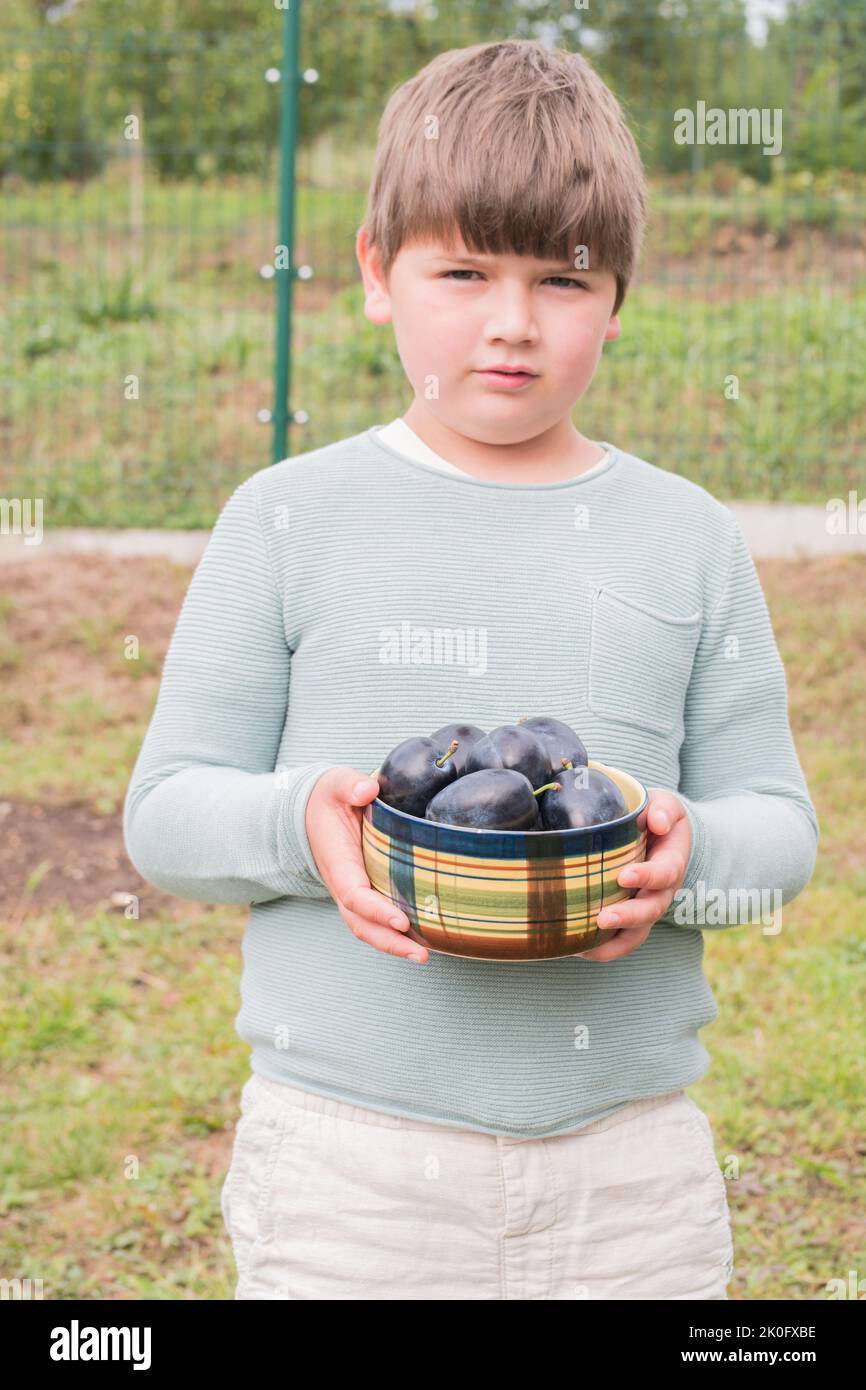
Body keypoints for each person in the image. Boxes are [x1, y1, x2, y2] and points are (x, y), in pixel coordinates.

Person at [123, 39, 819, 1300]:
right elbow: (166, 811)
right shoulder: (286, 517)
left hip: (631, 1181)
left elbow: (777, 826)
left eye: (562, 278)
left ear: (617, 298)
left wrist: (687, 856)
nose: (510, 322)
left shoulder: (687, 537)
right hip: (348, 1173)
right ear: (376, 275)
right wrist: (301, 820)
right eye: (460, 271)